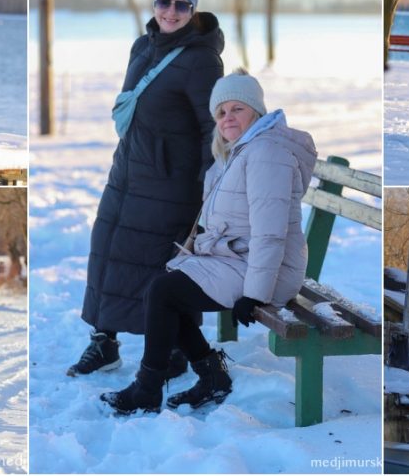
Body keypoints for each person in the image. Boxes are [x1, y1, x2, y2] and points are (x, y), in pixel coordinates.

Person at [100, 69, 317, 414]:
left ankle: (149, 387)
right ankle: (209, 375)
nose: (228, 118)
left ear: (256, 112)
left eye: (237, 109)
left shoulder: (265, 153)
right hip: (240, 260)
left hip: (265, 272)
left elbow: (270, 232)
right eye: (221, 112)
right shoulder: (240, 152)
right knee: (165, 288)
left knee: (165, 293)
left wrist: (256, 293)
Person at [71, 0, 224, 379]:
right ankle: (103, 343)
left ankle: (173, 346)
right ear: (153, 4)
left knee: (160, 263)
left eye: (181, 5)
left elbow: (214, 128)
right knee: (106, 249)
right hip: (127, 171)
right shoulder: (142, 46)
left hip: (171, 183)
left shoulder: (202, 60)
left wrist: (210, 186)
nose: (171, 12)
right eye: (164, 2)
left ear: (193, 11)